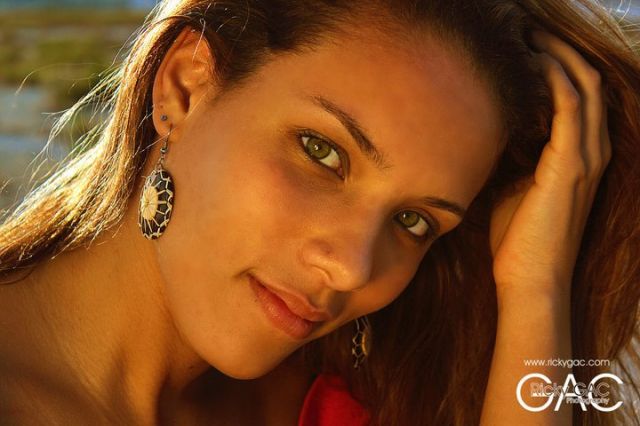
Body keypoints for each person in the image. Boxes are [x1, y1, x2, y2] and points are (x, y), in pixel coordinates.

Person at [0, 0, 639, 424]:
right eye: (322, 152)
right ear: (184, 87)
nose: (353, 267)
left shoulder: (350, 405)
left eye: (413, 222)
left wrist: (535, 284)